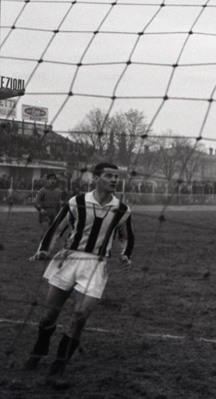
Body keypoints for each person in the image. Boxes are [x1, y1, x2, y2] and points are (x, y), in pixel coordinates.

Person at [24, 162, 135, 387]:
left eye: (116, 176)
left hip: (96, 265)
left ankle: (58, 367)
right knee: (49, 315)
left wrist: (125, 254)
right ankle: (40, 348)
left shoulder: (122, 209)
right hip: (69, 259)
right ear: (95, 178)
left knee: (81, 315)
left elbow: (127, 236)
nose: (114, 180)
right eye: (109, 176)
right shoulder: (77, 202)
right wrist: (44, 250)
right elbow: (56, 228)